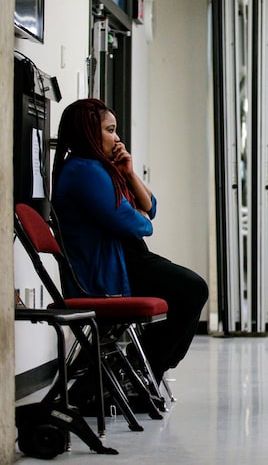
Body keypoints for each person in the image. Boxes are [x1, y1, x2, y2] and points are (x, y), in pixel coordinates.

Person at [52, 98, 209, 383]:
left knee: (190, 289)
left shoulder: (98, 168)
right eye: (110, 130)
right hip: (109, 270)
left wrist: (129, 173)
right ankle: (140, 370)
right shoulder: (84, 171)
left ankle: (141, 369)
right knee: (192, 289)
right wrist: (140, 216)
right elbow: (137, 224)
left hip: (125, 259)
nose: (117, 137)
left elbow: (151, 207)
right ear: (88, 131)